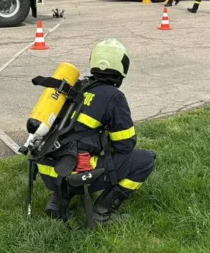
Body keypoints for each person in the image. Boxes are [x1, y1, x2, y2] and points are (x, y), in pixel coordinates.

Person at [39, 39, 156, 224]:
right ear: (121, 66)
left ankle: (58, 200)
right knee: (145, 160)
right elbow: (125, 145)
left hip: (47, 169)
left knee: (76, 148)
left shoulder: (77, 87)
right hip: (73, 173)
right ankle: (101, 213)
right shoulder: (113, 97)